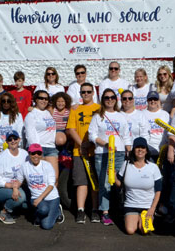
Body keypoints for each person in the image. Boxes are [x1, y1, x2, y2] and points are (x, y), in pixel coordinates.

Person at [88, 88, 132, 225]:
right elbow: (92, 135)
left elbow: (126, 136)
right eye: (106, 97)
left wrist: (129, 152)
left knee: (121, 183)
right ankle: (105, 213)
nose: (109, 100)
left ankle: (122, 210)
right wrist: (105, 144)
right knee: (105, 183)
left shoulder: (121, 116)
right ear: (103, 100)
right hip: (103, 153)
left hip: (119, 154)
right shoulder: (98, 116)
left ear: (116, 99)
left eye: (112, 97)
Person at [66, 82, 100, 224]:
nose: (86, 94)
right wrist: (82, 144)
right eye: (83, 92)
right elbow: (71, 129)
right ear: (80, 94)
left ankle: (94, 210)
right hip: (79, 151)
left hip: (96, 150)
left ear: (93, 93)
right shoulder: (75, 109)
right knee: (81, 182)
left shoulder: (99, 108)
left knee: (95, 182)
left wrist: (91, 143)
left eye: (88, 91)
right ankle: (80, 210)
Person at [116, 137, 162, 235]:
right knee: (130, 230)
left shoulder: (153, 167)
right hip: (130, 204)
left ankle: (141, 218)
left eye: (143, 147)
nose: (140, 150)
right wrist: (112, 175)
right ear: (133, 150)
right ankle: (133, 217)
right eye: (137, 147)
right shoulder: (126, 164)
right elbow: (119, 184)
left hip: (147, 206)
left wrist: (152, 208)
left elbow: (158, 190)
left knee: (144, 230)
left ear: (146, 150)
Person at [17, 144, 62, 230]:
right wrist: (15, 189)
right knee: (43, 210)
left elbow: (51, 185)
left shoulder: (47, 165)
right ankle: (39, 215)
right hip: (36, 197)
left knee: (47, 226)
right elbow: (19, 180)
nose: (36, 156)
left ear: (41, 154)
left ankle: (57, 211)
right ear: (29, 154)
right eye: (33, 153)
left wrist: (40, 198)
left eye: (39, 153)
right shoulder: (24, 166)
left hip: (51, 197)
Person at [0, 131, 29, 224]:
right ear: (6, 142)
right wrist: (11, 186)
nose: (13, 141)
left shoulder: (24, 154)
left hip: (16, 185)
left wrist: (16, 186)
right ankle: (4, 212)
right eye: (10, 139)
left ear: (19, 139)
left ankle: (13, 208)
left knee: (28, 203)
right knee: (20, 197)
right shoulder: (1, 157)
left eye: (15, 138)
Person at [25, 90, 57, 179]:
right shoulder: (31, 115)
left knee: (54, 178)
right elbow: (30, 135)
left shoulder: (48, 113)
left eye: (46, 99)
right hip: (38, 148)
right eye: (41, 98)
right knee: (42, 178)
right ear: (35, 99)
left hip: (51, 147)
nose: (44, 100)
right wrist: (37, 151)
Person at [142, 91, 170, 156]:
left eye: (155, 99)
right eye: (150, 99)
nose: (153, 101)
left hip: (163, 149)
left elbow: (169, 132)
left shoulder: (165, 114)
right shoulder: (141, 114)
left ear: (158, 101)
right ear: (147, 100)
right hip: (147, 149)